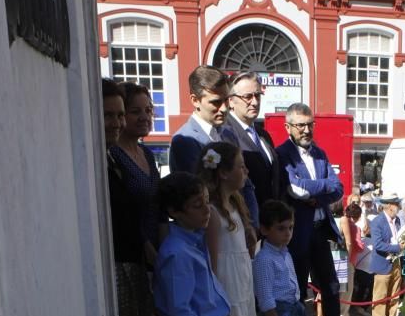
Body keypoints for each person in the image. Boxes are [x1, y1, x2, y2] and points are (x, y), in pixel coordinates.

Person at [277, 102, 359, 316]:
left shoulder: (321, 154)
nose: (306, 129)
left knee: (332, 287)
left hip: (321, 230)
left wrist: (315, 190)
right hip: (298, 232)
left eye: (310, 124)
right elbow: (294, 189)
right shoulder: (283, 155)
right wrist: (320, 189)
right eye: (300, 125)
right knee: (299, 292)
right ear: (288, 127)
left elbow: (338, 189)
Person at [153, 172, 238, 316]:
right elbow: (180, 310)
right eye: (197, 205)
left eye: (207, 201)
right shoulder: (177, 253)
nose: (207, 210)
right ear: (174, 211)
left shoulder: (195, 241)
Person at [169, 66, 259, 227]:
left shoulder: (229, 135)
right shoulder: (185, 141)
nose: (224, 108)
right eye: (216, 102)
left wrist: (251, 225)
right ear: (195, 100)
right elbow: (199, 195)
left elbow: (246, 184)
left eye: (226, 100)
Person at [195, 142, 257, 316]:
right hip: (227, 293)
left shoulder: (235, 206)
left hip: (242, 289)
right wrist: (222, 314)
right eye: (241, 166)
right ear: (223, 173)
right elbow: (211, 266)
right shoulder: (212, 213)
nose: (246, 171)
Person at [103, 79, 152, 316]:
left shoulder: (143, 154)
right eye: (108, 115)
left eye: (120, 115)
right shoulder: (109, 158)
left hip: (142, 259)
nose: (117, 122)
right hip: (120, 262)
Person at [111, 82, 164, 271]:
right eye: (135, 111)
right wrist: (145, 246)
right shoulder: (114, 155)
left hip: (157, 255)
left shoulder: (147, 154)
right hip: (130, 258)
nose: (144, 117)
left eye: (148, 110)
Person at [226, 71, 288, 208]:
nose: (254, 102)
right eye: (247, 97)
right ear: (231, 100)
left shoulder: (263, 134)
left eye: (258, 95)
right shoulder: (226, 134)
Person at [253, 201, 304, 316]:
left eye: (291, 227)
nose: (287, 233)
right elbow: (265, 298)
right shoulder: (264, 259)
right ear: (265, 230)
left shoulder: (286, 254)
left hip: (292, 313)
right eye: (281, 228)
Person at [369, 192, 405, 316]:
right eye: (397, 204)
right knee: (380, 293)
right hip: (382, 262)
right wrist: (396, 247)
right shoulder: (377, 221)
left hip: (396, 261)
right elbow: (377, 244)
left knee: (395, 292)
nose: (399, 207)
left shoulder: (397, 221)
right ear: (390, 206)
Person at [339, 201, 367, 316]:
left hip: (337, 258)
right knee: (347, 291)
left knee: (339, 289)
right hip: (349, 261)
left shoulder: (340, 222)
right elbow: (358, 246)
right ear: (358, 216)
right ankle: (344, 315)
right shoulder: (355, 227)